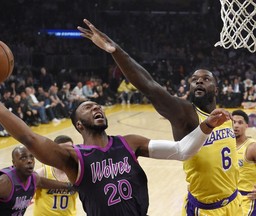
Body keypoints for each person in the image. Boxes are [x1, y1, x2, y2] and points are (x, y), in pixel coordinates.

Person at [0, 66, 231, 216]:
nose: (97, 108)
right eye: (88, 107)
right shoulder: (74, 158)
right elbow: (26, 135)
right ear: (78, 124)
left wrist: (205, 126)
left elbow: (182, 151)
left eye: (98, 105)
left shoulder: (129, 143)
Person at [77, 19, 242, 215]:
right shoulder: (185, 114)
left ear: (216, 88)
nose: (198, 81)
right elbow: (149, 86)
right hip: (207, 210)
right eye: (194, 80)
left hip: (235, 201)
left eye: (205, 79)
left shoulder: (223, 117)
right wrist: (116, 51)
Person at [0, 145, 74, 216]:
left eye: (31, 157)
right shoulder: (4, 183)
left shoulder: (33, 178)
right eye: (23, 158)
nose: (29, 161)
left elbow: (43, 182)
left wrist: (70, 186)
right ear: (14, 163)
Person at [34, 135, 78, 216]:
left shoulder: (78, 173)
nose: (67, 153)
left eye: (70, 149)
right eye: (64, 150)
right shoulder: (42, 173)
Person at [232, 110, 256, 215]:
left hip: (248, 198)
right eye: (233, 122)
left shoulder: (252, 147)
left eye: (240, 123)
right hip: (230, 199)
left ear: (247, 125)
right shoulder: (225, 146)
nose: (236, 126)